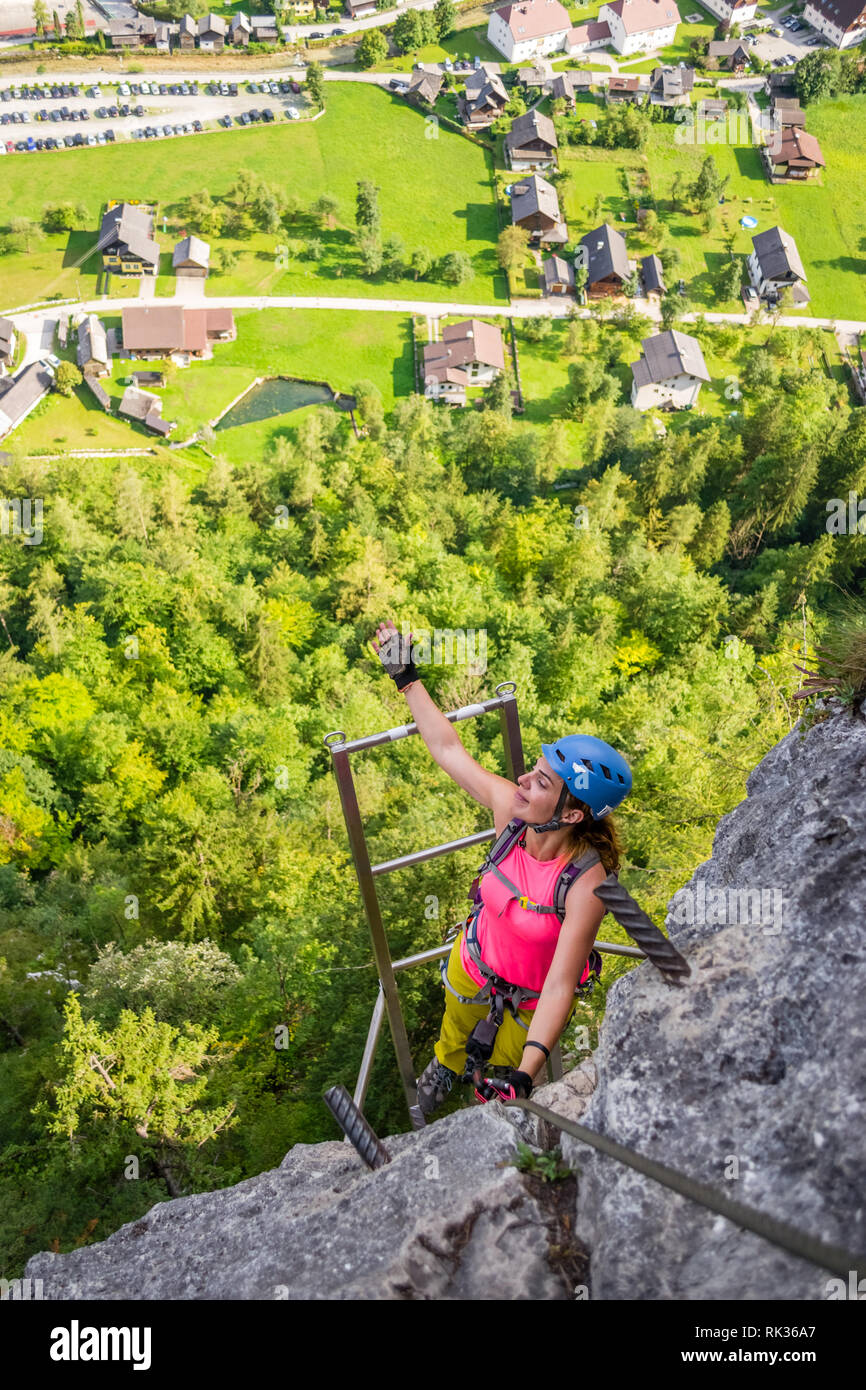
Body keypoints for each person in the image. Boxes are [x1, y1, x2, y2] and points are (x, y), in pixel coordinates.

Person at [371, 619, 632, 1116]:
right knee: (453, 1032)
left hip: (530, 1006)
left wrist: (524, 1075)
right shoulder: (512, 816)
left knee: (496, 1088)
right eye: (533, 770)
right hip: (472, 966)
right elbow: (448, 750)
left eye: (540, 782)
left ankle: (482, 1101)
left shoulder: (585, 881)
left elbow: (561, 983)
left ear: (571, 813)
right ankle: (445, 1066)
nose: (521, 780)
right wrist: (406, 678)